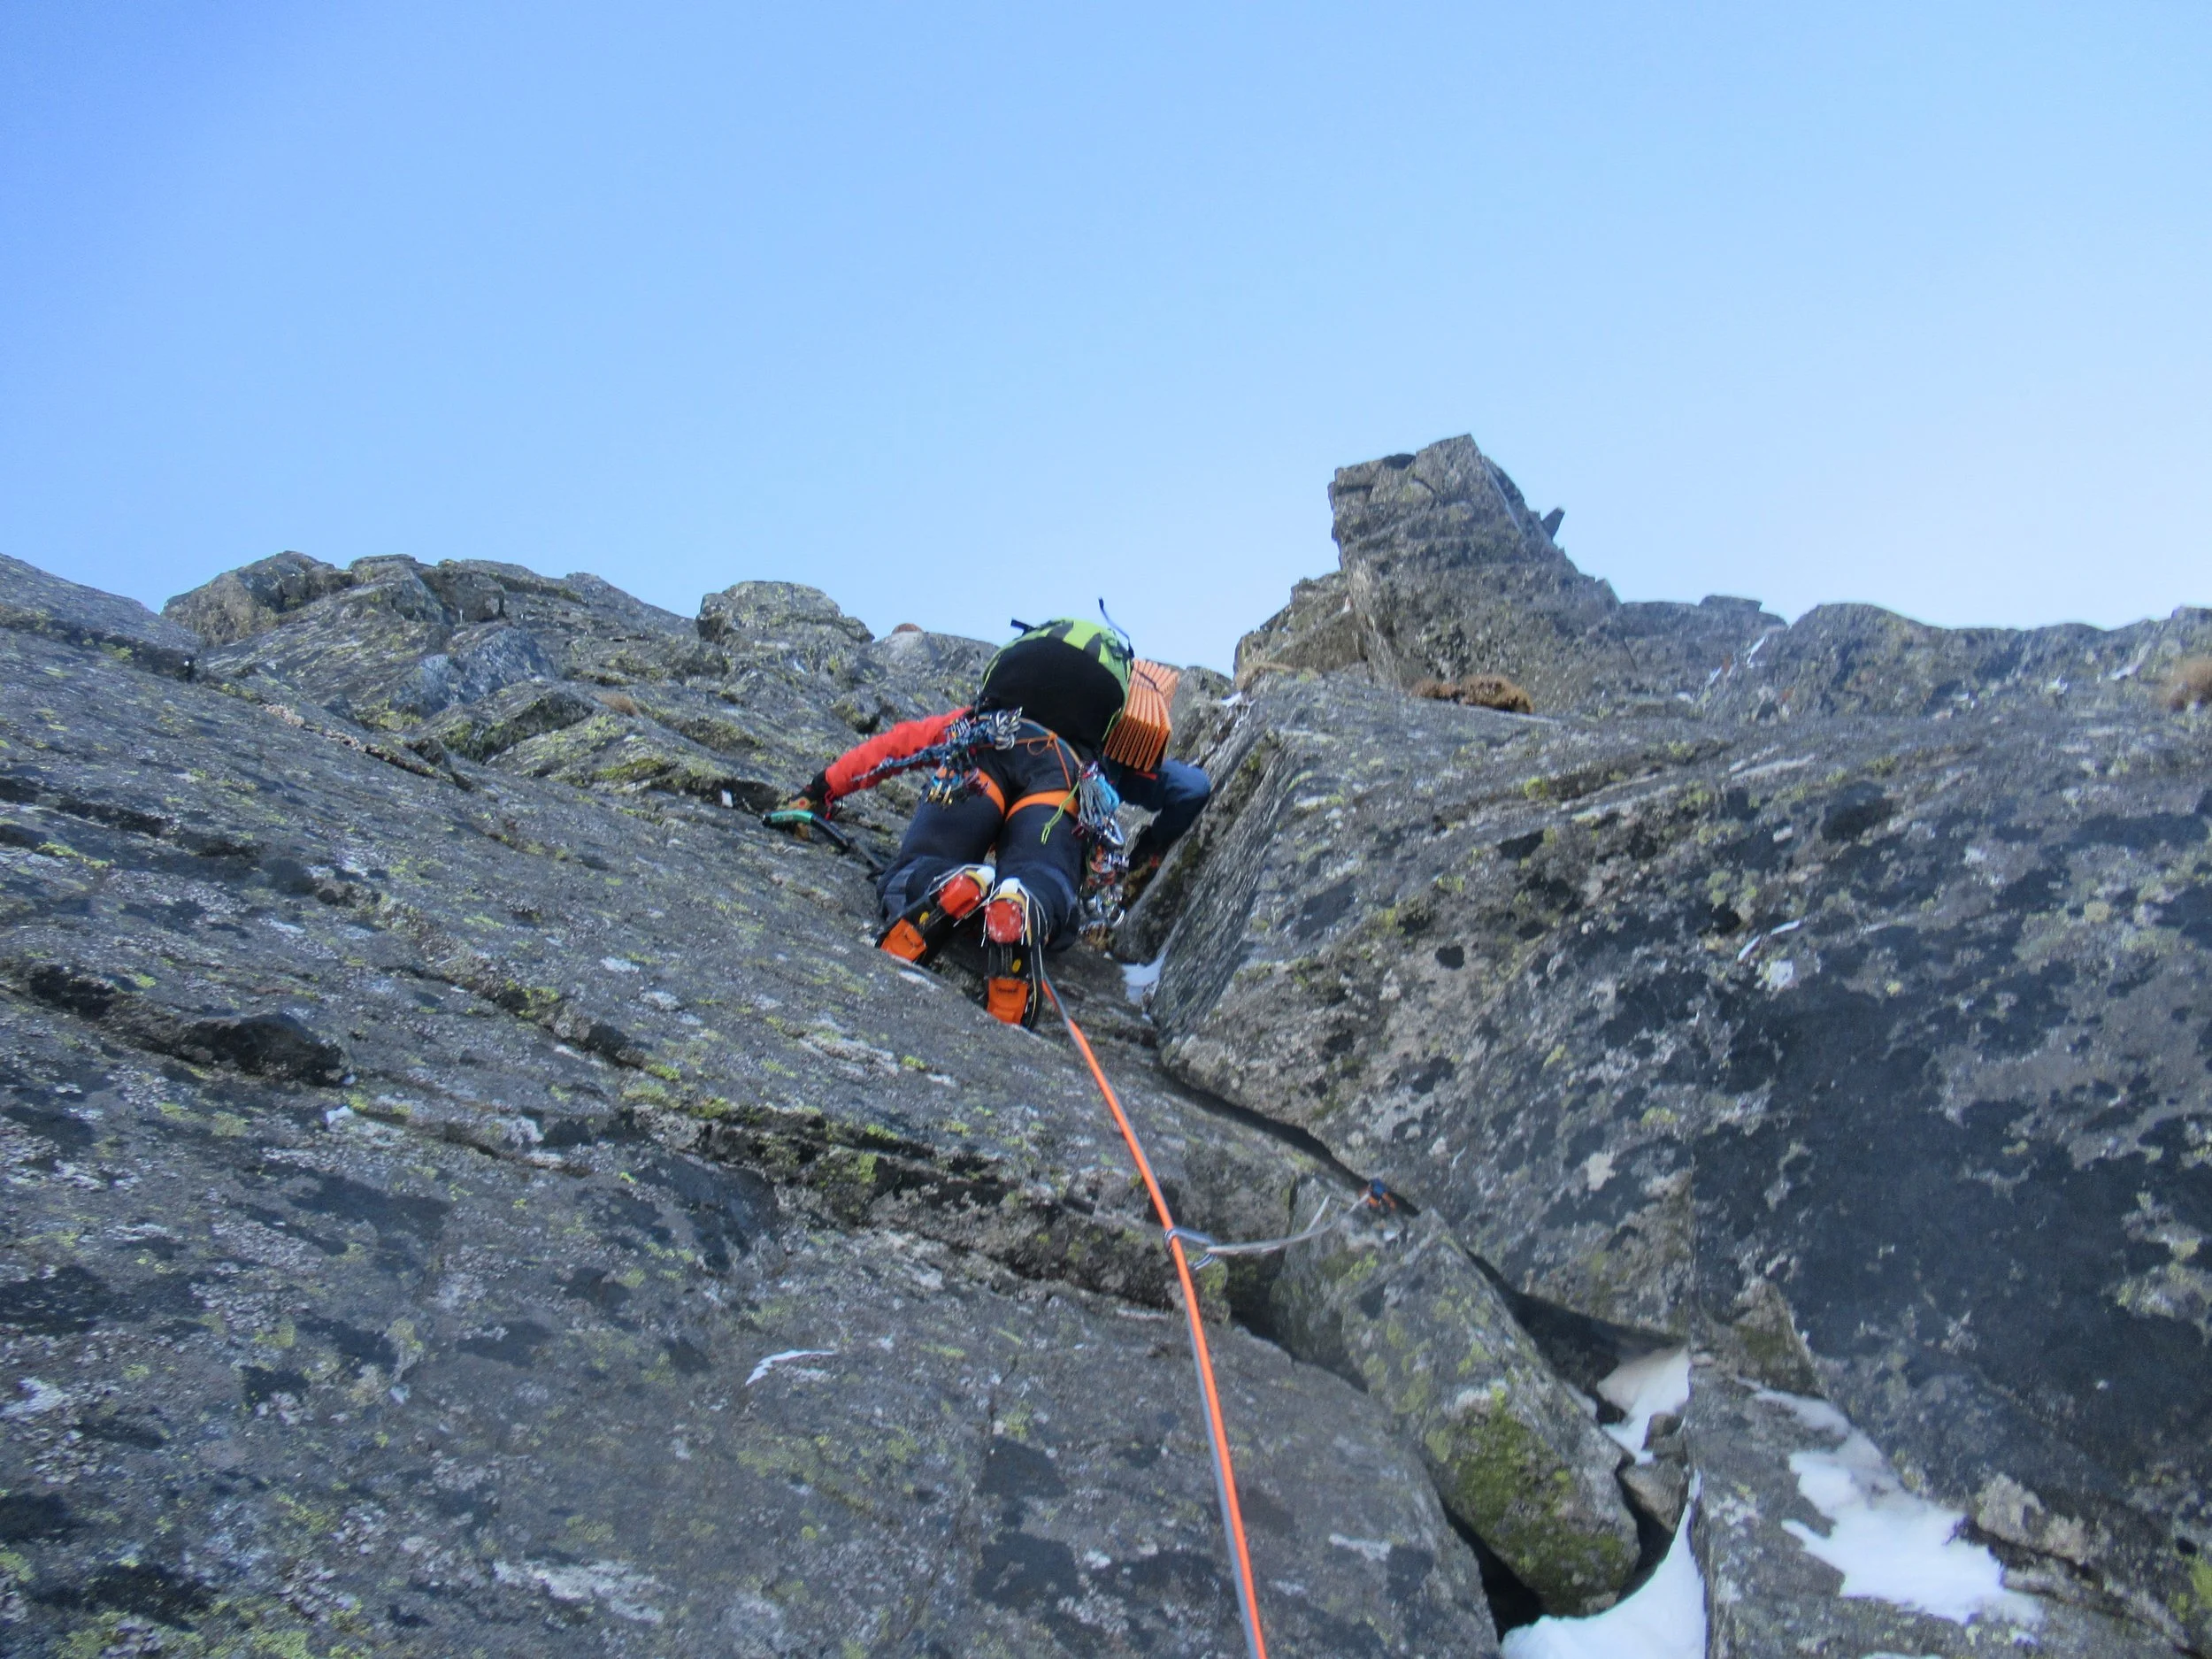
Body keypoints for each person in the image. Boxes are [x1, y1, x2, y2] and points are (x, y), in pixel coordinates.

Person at [782, 617, 1211, 1026]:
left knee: (923, 861)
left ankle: (941, 883)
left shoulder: (976, 715)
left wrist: (821, 790)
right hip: (1061, 773)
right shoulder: (1104, 753)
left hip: (984, 745)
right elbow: (1191, 787)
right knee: (1043, 879)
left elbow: (895, 747)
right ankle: (1023, 905)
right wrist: (1148, 853)